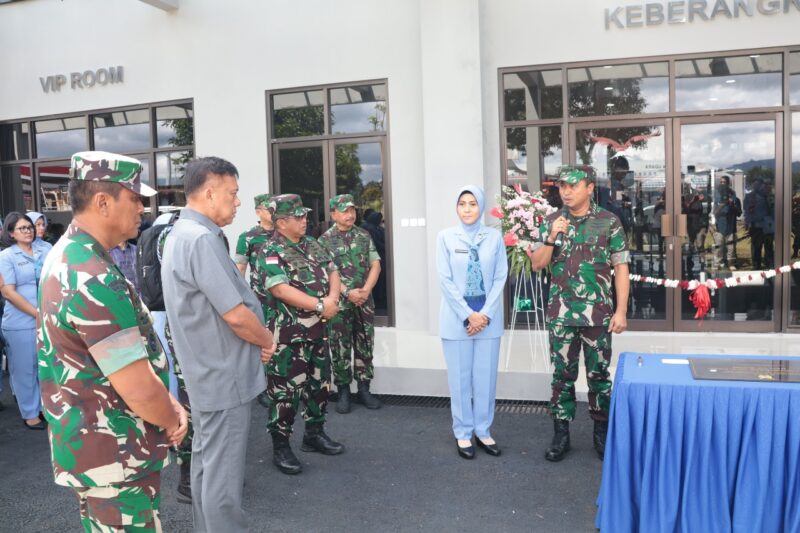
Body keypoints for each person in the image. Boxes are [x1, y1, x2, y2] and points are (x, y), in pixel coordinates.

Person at [37, 151, 188, 531]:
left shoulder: (70, 256)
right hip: (115, 451)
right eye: (135, 197)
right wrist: (171, 417)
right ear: (103, 202)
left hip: (99, 448)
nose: (142, 207)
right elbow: (136, 388)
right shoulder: (93, 276)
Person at [161, 156, 275, 532]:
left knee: (207, 466)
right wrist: (266, 339)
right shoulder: (201, 239)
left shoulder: (179, 234)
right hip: (225, 376)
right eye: (233, 193)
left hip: (205, 372)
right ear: (210, 193)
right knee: (223, 478)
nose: (238, 201)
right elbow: (236, 315)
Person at [528, 166, 630, 462]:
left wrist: (621, 310)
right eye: (562, 186)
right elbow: (537, 264)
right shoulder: (551, 221)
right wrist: (550, 237)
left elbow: (621, 268)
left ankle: (601, 433)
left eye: (573, 186)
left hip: (598, 316)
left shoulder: (609, 222)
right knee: (562, 376)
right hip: (561, 315)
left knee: (599, 376)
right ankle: (561, 435)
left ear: (589, 188)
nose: (566, 192)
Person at [254, 193, 344, 475]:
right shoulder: (270, 250)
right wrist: (320, 305)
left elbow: (333, 271)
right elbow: (280, 289)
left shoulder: (312, 244)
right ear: (281, 222)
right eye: (299, 217)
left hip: (319, 332)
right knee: (285, 394)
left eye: (305, 216)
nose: (305, 220)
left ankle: (314, 434)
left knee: (319, 387)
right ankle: (281, 445)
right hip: (287, 338)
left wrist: (331, 300)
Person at [435, 185, 508, 459]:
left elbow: (501, 277)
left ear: (481, 206)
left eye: (473, 204)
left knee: (485, 379)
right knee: (460, 380)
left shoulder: (494, 237)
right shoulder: (445, 237)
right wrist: (468, 314)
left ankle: (483, 431)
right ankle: (463, 434)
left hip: (488, 320)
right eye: (462, 204)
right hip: (456, 320)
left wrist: (484, 314)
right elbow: (445, 280)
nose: (467, 209)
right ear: (457, 207)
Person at [318, 194, 383, 413]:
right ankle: (343, 390)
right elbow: (325, 273)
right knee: (340, 346)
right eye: (345, 211)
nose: (350, 214)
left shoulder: (364, 235)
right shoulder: (324, 240)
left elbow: (376, 264)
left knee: (365, 344)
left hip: (364, 301)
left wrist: (365, 291)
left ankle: (364, 389)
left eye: (352, 210)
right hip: (340, 304)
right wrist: (347, 292)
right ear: (333, 214)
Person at [0, 212, 52, 429]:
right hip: (21, 322)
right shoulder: (6, 257)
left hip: (49, 317)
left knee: (46, 367)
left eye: (29, 227)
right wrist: (37, 314)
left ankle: (45, 408)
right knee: (25, 369)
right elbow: (9, 293)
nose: (29, 231)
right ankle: (30, 414)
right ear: (11, 233)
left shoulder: (46, 249)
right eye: (22, 228)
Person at [235, 193, 276, 408]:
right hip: (261, 301)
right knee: (263, 343)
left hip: (286, 303)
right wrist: (240, 300)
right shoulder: (248, 237)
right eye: (269, 208)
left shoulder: (283, 234)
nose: (273, 212)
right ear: (258, 211)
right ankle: (264, 387)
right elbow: (239, 270)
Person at [743, 177, 774, 270]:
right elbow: (747, 211)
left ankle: (770, 265)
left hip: (768, 226)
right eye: (754, 184)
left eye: (758, 184)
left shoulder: (769, 196)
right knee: (756, 247)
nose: (756, 186)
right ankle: (756, 266)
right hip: (756, 225)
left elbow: (773, 210)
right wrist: (747, 222)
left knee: (768, 246)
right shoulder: (749, 197)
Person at [712, 175, 742, 270]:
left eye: (724, 182)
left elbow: (739, 213)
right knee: (719, 247)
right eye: (721, 182)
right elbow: (715, 213)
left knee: (731, 248)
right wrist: (722, 205)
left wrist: (732, 205)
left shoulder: (734, 197)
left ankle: (731, 263)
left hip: (731, 226)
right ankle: (717, 263)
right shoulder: (716, 197)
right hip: (720, 226)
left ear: (728, 183)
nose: (722, 184)